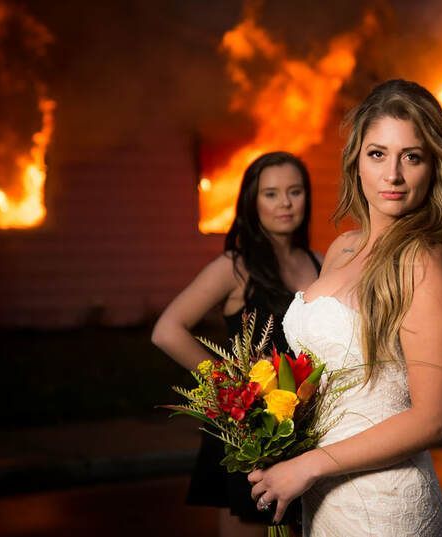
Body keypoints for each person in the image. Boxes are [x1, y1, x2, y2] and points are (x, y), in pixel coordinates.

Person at [246, 79, 442, 535]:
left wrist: (308, 466)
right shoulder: (342, 249)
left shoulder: (422, 263)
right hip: (322, 500)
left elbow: (434, 420)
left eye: (411, 157)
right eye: (378, 154)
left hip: (385, 508)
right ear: (356, 160)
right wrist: (269, 415)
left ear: (433, 166)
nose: (392, 175)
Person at [152, 151, 321, 537]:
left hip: (300, 429)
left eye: (295, 192)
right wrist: (231, 388)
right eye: (271, 194)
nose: (285, 203)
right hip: (249, 431)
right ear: (252, 202)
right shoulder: (235, 267)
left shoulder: (320, 262)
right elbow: (167, 330)